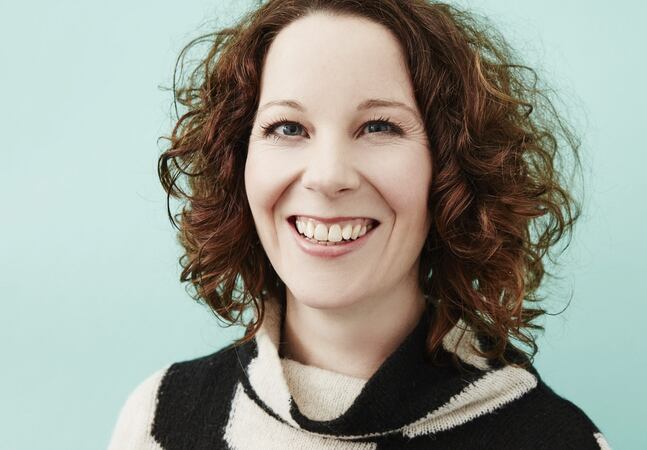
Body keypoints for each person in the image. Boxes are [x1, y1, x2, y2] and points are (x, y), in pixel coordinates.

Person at [108, 0, 612, 448]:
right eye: (288, 127)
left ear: (453, 169)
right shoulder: (161, 419)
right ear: (238, 162)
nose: (328, 177)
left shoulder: (552, 439)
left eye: (378, 127)